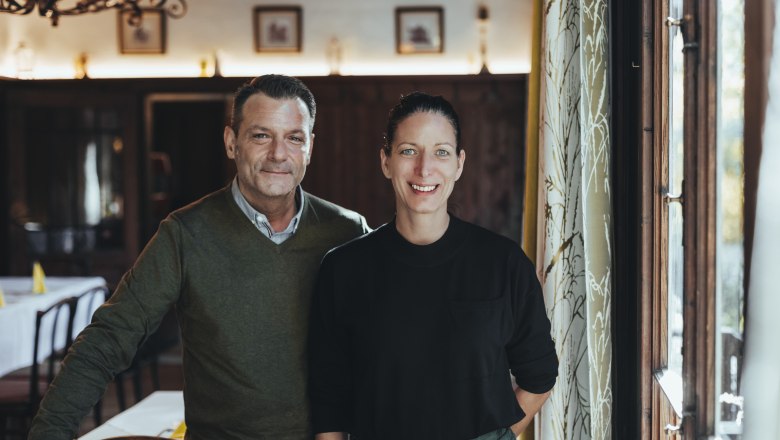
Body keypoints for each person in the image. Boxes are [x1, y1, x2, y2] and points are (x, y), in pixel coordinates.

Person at [29, 74, 370, 440]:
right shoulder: (184, 234)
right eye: (261, 135)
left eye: (294, 138)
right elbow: (108, 338)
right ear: (231, 142)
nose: (278, 153)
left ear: (310, 148)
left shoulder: (347, 232)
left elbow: (384, 345)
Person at [308, 92, 558, 440]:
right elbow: (328, 398)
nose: (424, 168)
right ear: (385, 161)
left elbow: (540, 375)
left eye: (441, 152)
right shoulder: (343, 269)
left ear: (459, 163)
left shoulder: (503, 263)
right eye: (409, 150)